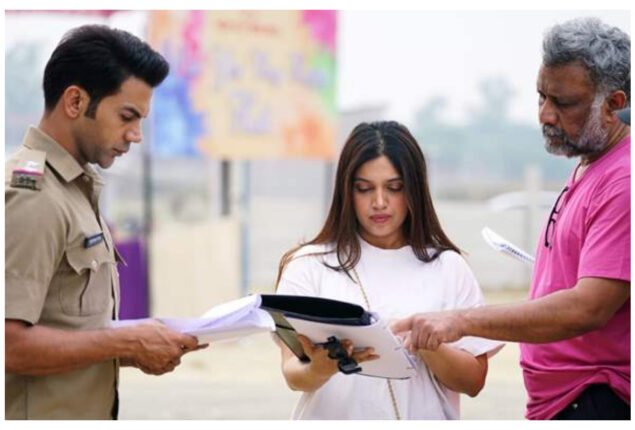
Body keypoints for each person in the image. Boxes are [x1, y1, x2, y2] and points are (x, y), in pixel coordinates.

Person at [391, 17, 630, 420]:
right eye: (541, 97)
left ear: (613, 105)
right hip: (564, 401)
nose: (545, 115)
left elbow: (587, 309)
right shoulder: (590, 167)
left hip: (594, 400)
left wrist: (460, 321)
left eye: (564, 103)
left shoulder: (624, 181)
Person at [5, 25, 206, 420]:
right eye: (127, 116)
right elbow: (9, 345)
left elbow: (65, 327)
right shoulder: (33, 195)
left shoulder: (77, 189)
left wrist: (137, 344)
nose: (136, 135)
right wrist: (126, 341)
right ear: (76, 101)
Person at [274, 121, 502, 419]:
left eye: (394, 188)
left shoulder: (448, 268)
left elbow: (473, 381)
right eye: (364, 188)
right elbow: (292, 372)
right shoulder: (309, 264)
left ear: (415, 190)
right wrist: (320, 367)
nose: (379, 202)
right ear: (346, 191)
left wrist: (426, 344)